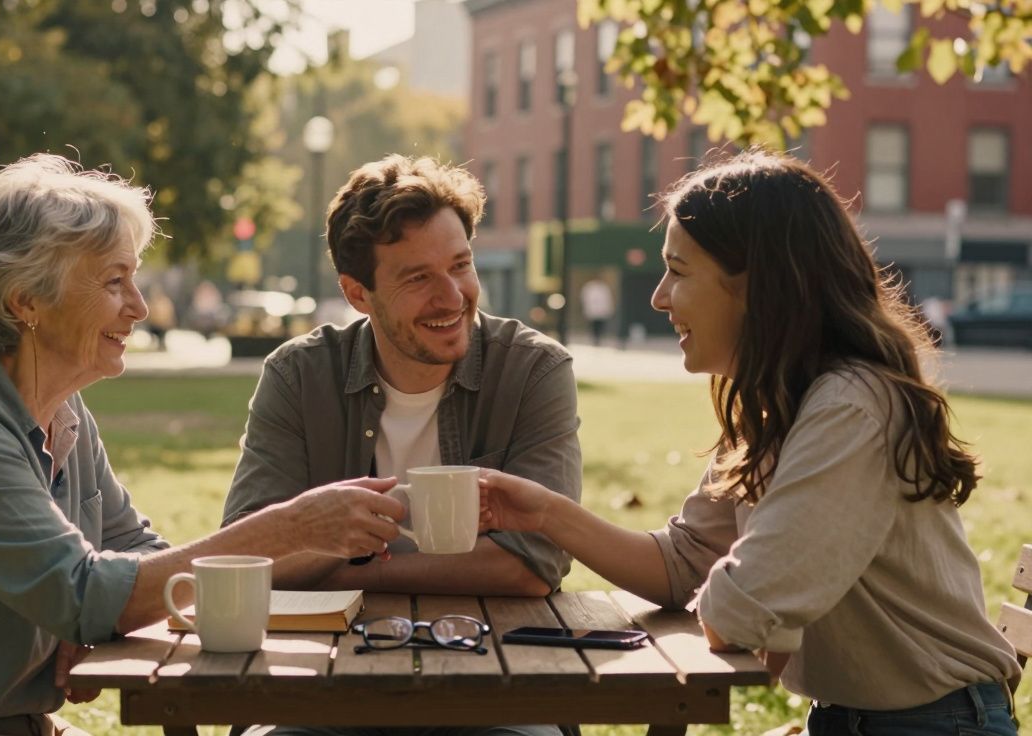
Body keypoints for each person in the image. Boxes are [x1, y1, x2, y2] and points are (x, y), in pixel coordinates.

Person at [0, 154, 405, 736]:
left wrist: (107, 612)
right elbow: (87, 594)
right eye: (114, 281)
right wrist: (290, 526)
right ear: (23, 299)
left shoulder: (60, 410)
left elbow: (133, 551)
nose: (138, 307)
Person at [478, 151, 1021, 735]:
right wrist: (546, 513)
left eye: (679, 272)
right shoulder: (782, 404)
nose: (659, 297)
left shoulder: (851, 406)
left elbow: (742, 611)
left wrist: (742, 584)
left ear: (757, 286)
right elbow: (684, 564)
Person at [223, 154, 580, 736]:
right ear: (358, 294)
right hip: (320, 692)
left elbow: (532, 565)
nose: (452, 297)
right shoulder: (297, 375)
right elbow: (249, 558)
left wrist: (349, 571)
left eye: (460, 265)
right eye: (417, 278)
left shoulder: (534, 369)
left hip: (498, 688)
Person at [579, 278, 613, 346]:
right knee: (594, 326)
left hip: (601, 311)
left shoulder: (603, 288)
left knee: (600, 325)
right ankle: (595, 338)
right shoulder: (590, 287)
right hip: (593, 310)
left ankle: (599, 338)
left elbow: (607, 300)